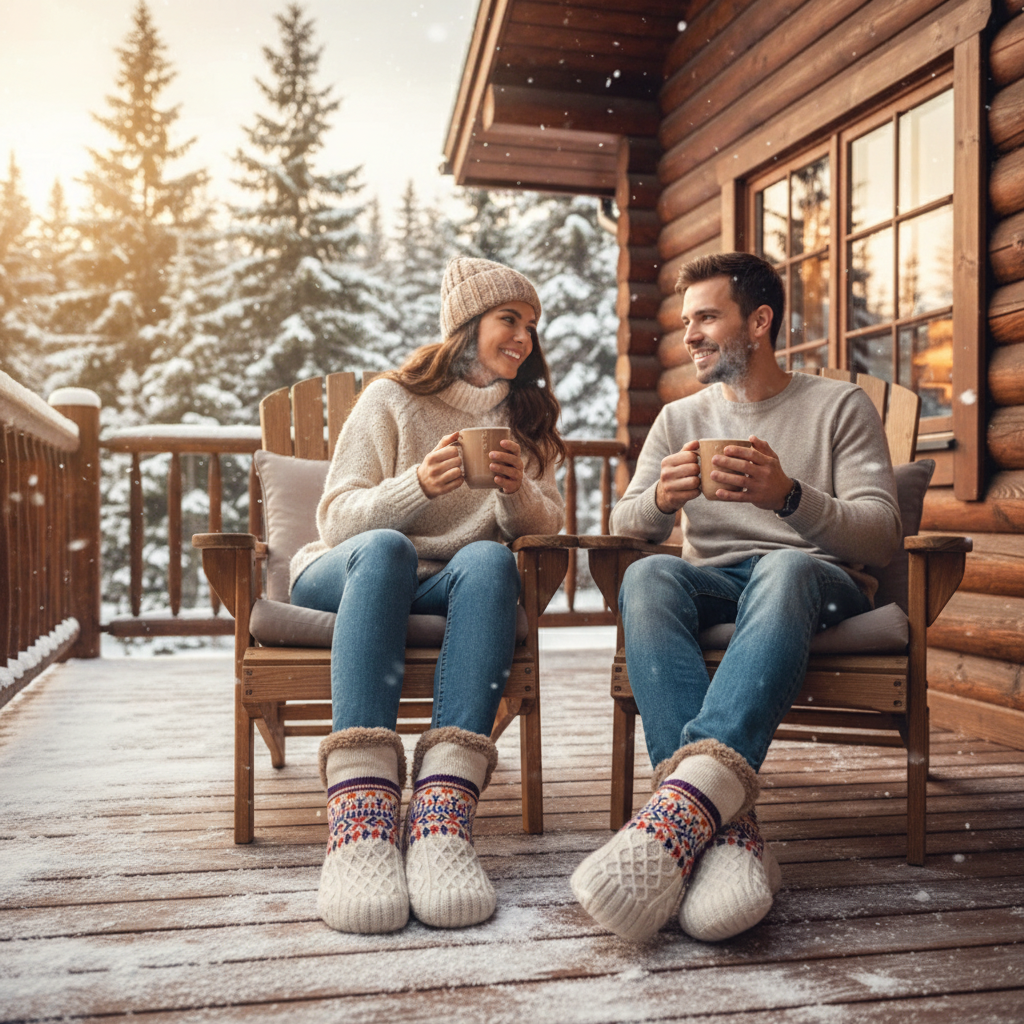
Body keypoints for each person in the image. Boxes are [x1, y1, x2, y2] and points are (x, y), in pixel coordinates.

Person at [571, 252, 901, 943]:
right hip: (717, 582)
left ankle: (676, 817)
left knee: (784, 567)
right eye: (685, 321)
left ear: (758, 322)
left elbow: (880, 534)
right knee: (648, 576)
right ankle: (727, 835)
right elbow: (626, 525)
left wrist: (790, 497)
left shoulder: (839, 406)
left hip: (816, 582)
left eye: (706, 318)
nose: (689, 335)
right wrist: (660, 500)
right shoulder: (679, 418)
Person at [290, 257, 565, 935]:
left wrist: (514, 491)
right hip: (350, 570)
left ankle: (444, 812)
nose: (524, 337)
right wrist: (418, 485)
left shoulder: (524, 418)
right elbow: (337, 519)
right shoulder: (390, 399)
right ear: (466, 325)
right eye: (509, 319)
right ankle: (361, 814)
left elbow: (544, 528)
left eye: (531, 325)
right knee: (389, 548)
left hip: (446, 582)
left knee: (489, 559)